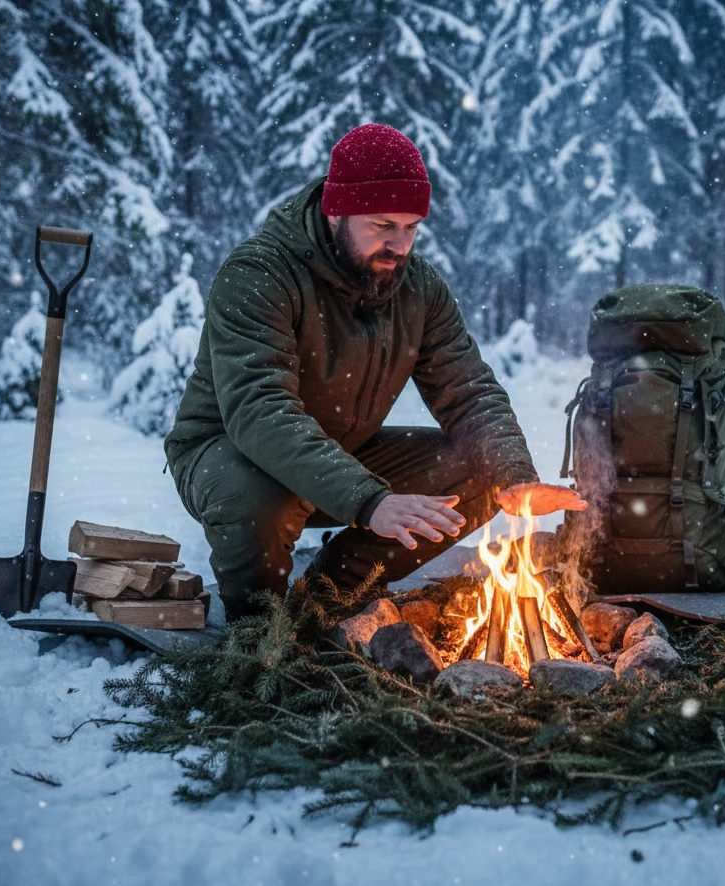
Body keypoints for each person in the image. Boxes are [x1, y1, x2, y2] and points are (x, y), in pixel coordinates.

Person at [165, 123, 585, 621]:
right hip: (230, 452)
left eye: (411, 227)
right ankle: (258, 628)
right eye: (382, 224)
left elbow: (468, 391)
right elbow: (259, 410)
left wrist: (516, 476)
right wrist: (369, 501)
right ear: (335, 209)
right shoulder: (259, 274)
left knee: (480, 469)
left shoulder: (417, 287)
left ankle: (328, 595)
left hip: (341, 450)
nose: (399, 245)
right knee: (258, 495)